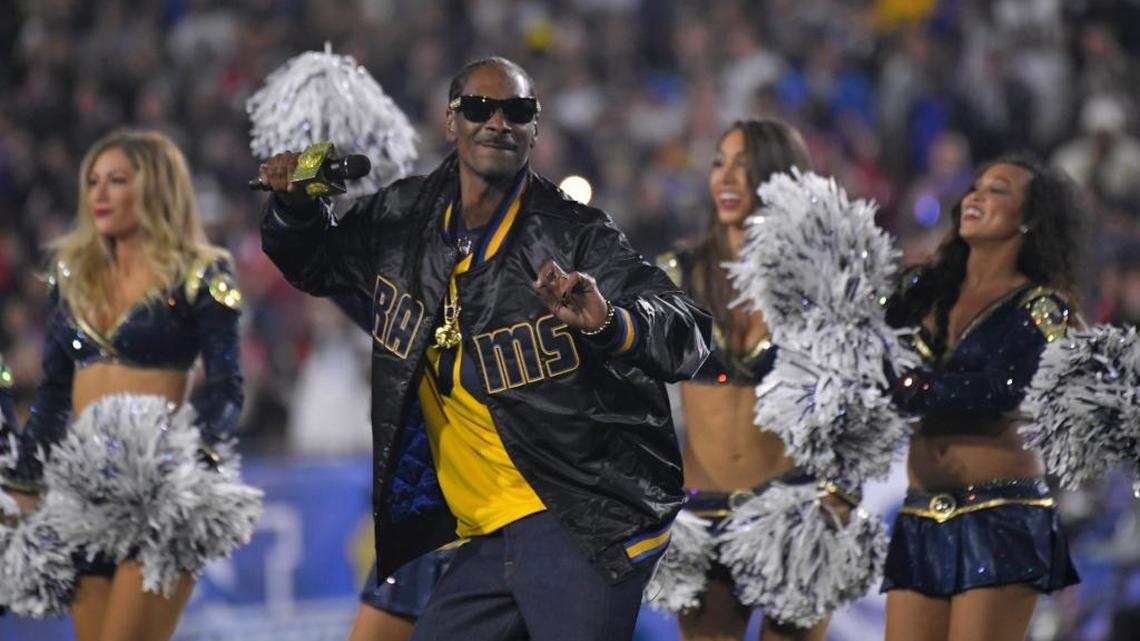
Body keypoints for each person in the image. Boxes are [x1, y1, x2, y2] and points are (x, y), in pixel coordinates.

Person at [258, 56, 711, 641]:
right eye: (479, 108)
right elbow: (316, 264)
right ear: (451, 122)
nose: (498, 122)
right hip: (478, 534)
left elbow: (688, 329)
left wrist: (611, 323)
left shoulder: (573, 234)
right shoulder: (403, 217)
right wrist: (295, 209)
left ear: (535, 130)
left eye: (517, 111)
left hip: (577, 516)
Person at [0, 129, 260, 641]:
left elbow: (227, 386)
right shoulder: (73, 275)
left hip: (159, 492)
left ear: (156, 189)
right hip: (82, 495)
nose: (98, 194)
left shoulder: (203, 273)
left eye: (116, 181)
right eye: (93, 181)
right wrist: (23, 486)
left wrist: (197, 461)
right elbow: (53, 396)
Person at [648, 119, 864, 641]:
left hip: (794, 511)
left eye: (744, 165)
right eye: (719, 162)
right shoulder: (678, 274)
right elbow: (628, 390)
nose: (727, 177)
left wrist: (839, 496)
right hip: (700, 512)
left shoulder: (822, 280)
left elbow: (857, 397)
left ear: (779, 176)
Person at [882, 154, 1083, 641]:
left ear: (1029, 219)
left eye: (998, 191)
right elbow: (865, 352)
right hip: (921, 515)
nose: (976, 196)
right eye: (975, 188)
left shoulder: (1043, 306)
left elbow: (1001, 390)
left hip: (1002, 519)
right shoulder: (924, 289)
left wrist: (909, 388)